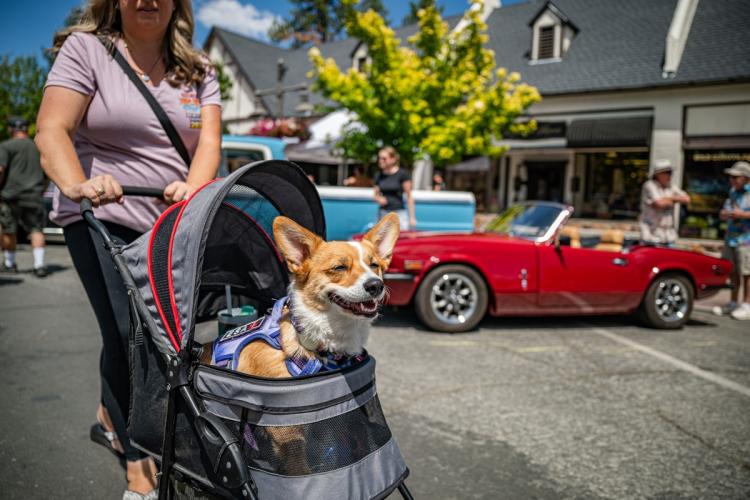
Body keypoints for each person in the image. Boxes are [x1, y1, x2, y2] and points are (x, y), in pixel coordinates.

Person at [35, 1, 221, 498]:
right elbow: (53, 129)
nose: (148, 1)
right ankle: (138, 463)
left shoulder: (199, 68)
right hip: (101, 216)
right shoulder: (88, 50)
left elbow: (208, 145)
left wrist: (194, 187)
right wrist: (77, 185)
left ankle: (112, 415)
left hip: (170, 223)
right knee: (127, 333)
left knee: (169, 338)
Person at [0, 117, 48, 277]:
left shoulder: (6, 146)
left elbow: (0, 169)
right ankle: (39, 265)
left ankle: (9, 263)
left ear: (10, 130)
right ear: (27, 129)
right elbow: (48, 172)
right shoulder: (39, 147)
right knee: (36, 229)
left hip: (10, 195)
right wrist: (41, 189)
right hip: (34, 194)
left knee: (9, 230)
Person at [712, 161, 750, 320]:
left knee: (747, 273)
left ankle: (747, 305)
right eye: (731, 177)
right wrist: (724, 213)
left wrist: (742, 215)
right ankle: (733, 302)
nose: (732, 180)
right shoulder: (733, 192)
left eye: (735, 177)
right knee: (732, 271)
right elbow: (725, 209)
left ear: (746, 178)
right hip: (731, 238)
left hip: (747, 240)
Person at [639, 159, 690, 246]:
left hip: (668, 235)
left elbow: (687, 199)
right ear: (658, 174)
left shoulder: (671, 186)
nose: (670, 175)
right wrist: (675, 200)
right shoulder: (649, 185)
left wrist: (669, 199)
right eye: (667, 172)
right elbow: (659, 204)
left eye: (670, 172)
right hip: (651, 235)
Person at [373, 146, 416, 230]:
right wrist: (379, 199)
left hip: (399, 214)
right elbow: (375, 195)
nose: (380, 161)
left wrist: (412, 218)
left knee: (400, 241)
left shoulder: (402, 174)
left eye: (384, 158)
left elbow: (409, 196)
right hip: (383, 214)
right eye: (380, 158)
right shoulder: (379, 175)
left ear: (393, 159)